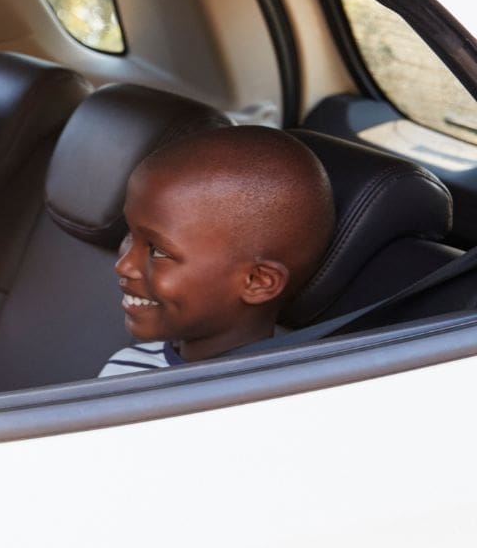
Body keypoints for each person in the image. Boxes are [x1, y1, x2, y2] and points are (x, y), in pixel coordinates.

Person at [99, 125, 333, 377]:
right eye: (129, 233)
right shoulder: (127, 368)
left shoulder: (281, 397)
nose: (123, 265)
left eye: (157, 251)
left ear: (257, 281)